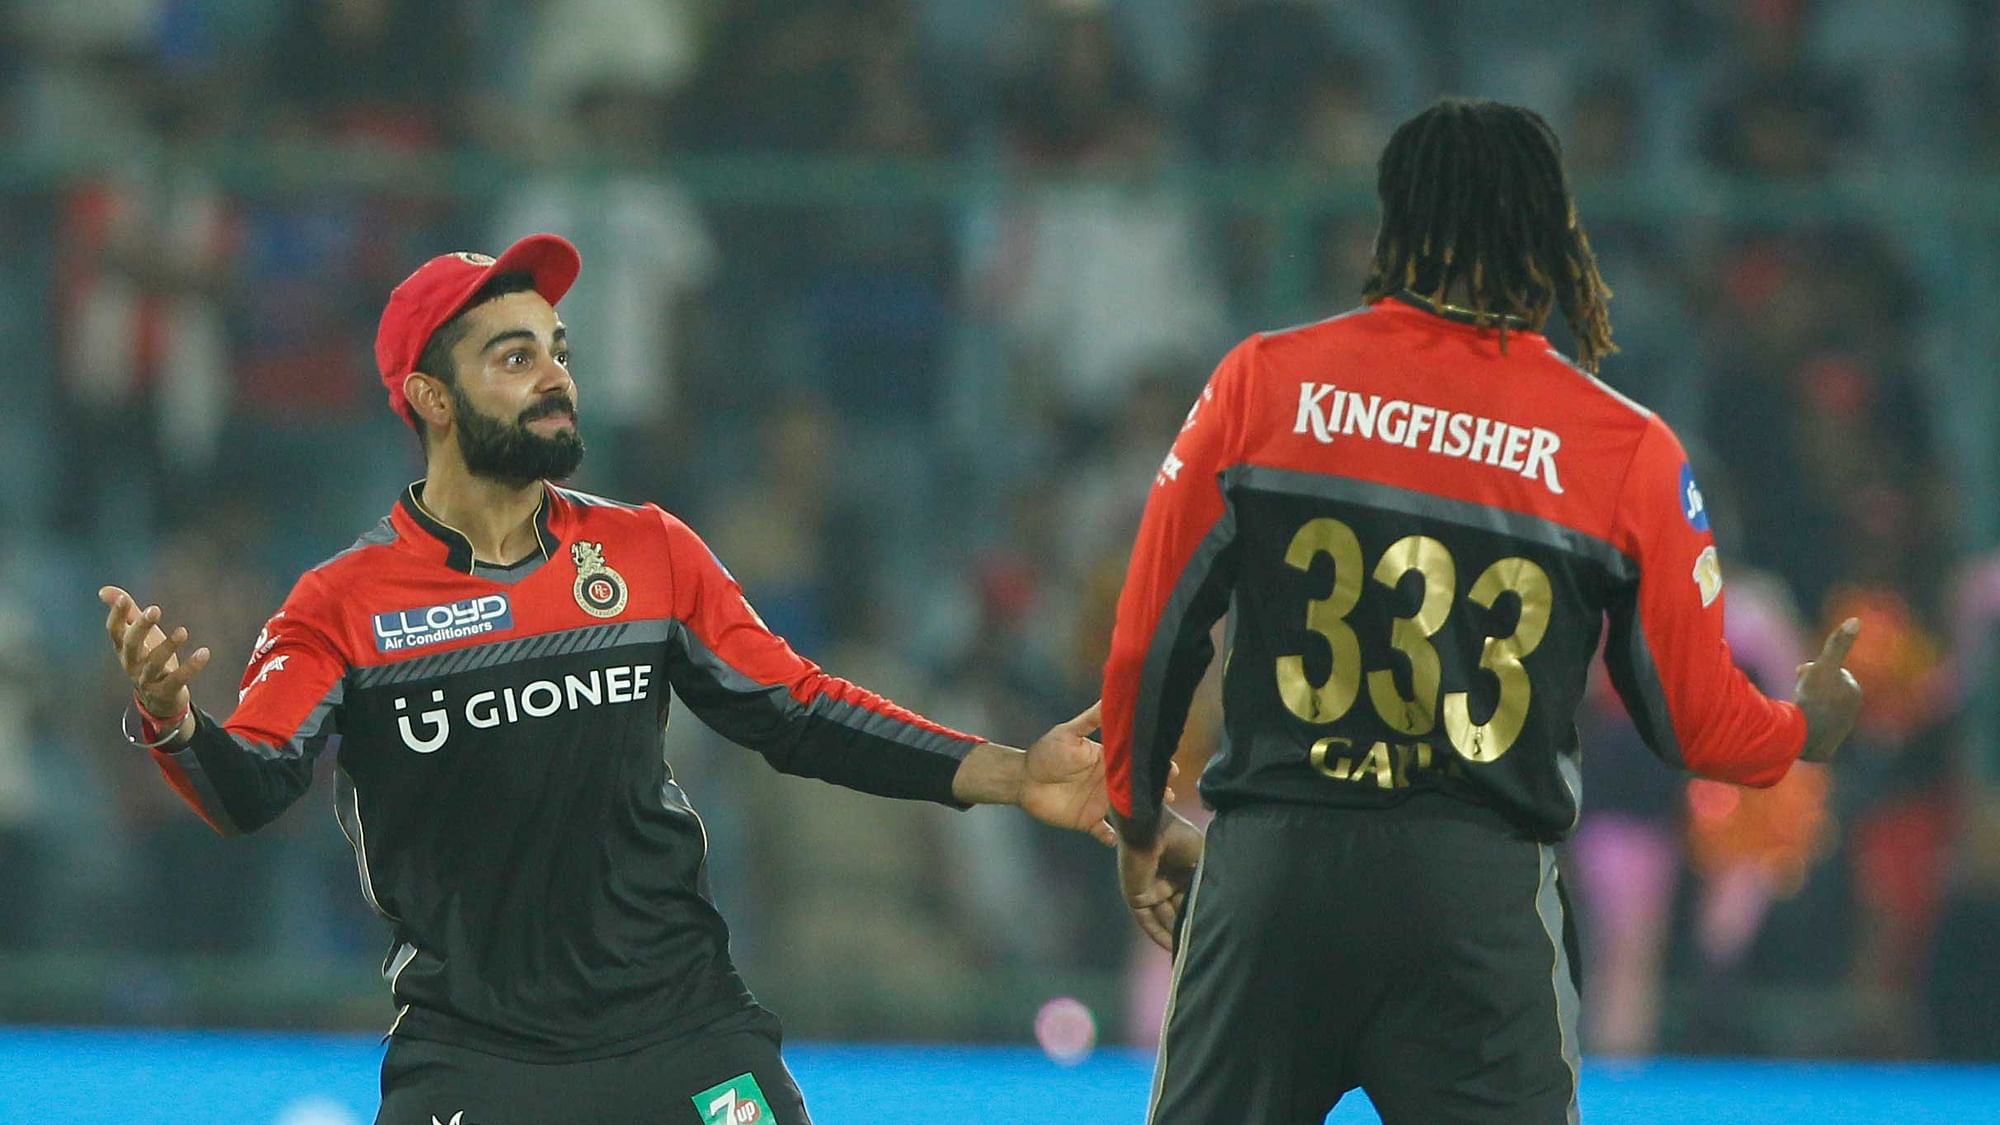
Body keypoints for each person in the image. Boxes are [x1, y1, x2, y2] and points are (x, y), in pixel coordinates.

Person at [97, 233, 1117, 1125]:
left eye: (558, 351)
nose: (554, 377)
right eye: (513, 356)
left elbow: (796, 710)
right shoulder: (343, 604)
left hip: (682, 1034)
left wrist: (1015, 772)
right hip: (476, 1060)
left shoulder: (647, 552)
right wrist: (176, 720)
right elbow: (251, 786)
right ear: (429, 398)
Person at [1100, 98, 1866, 1124]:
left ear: (1393, 222)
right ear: (1550, 235)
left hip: (1273, 874)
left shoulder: (1262, 385)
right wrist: (1806, 724)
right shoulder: (1622, 449)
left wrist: (1136, 812)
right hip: (1476, 902)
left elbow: (1152, 637)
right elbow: (1697, 725)